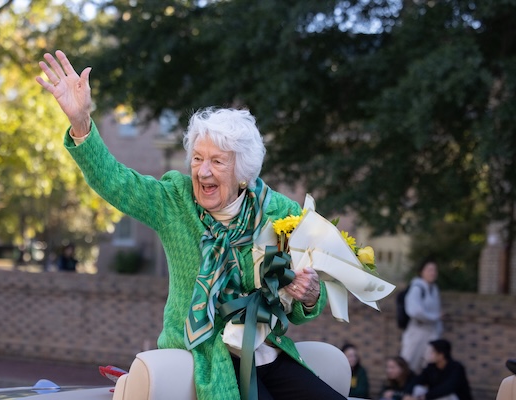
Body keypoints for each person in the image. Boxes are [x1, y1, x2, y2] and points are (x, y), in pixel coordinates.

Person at [36, 50, 345, 400]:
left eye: (216, 161)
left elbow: (305, 303)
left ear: (243, 171)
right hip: (207, 355)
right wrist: (81, 123)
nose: (203, 171)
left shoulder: (280, 212)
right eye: (197, 158)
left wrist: (310, 294)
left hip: (266, 352)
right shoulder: (176, 201)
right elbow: (116, 182)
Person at [400, 258, 443, 374]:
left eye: (434, 270)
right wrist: (434, 317)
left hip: (431, 332)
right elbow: (415, 311)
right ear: (421, 272)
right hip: (417, 331)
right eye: (429, 269)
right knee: (409, 361)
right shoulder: (417, 288)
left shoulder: (434, 289)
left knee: (428, 364)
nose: (432, 273)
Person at [405, 339, 472, 400]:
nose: (430, 354)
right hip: (435, 396)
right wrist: (408, 394)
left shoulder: (456, 368)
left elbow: (448, 388)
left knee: (446, 397)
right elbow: (417, 380)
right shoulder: (431, 367)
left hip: (454, 397)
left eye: (432, 352)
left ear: (441, 355)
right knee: (418, 389)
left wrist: (425, 396)